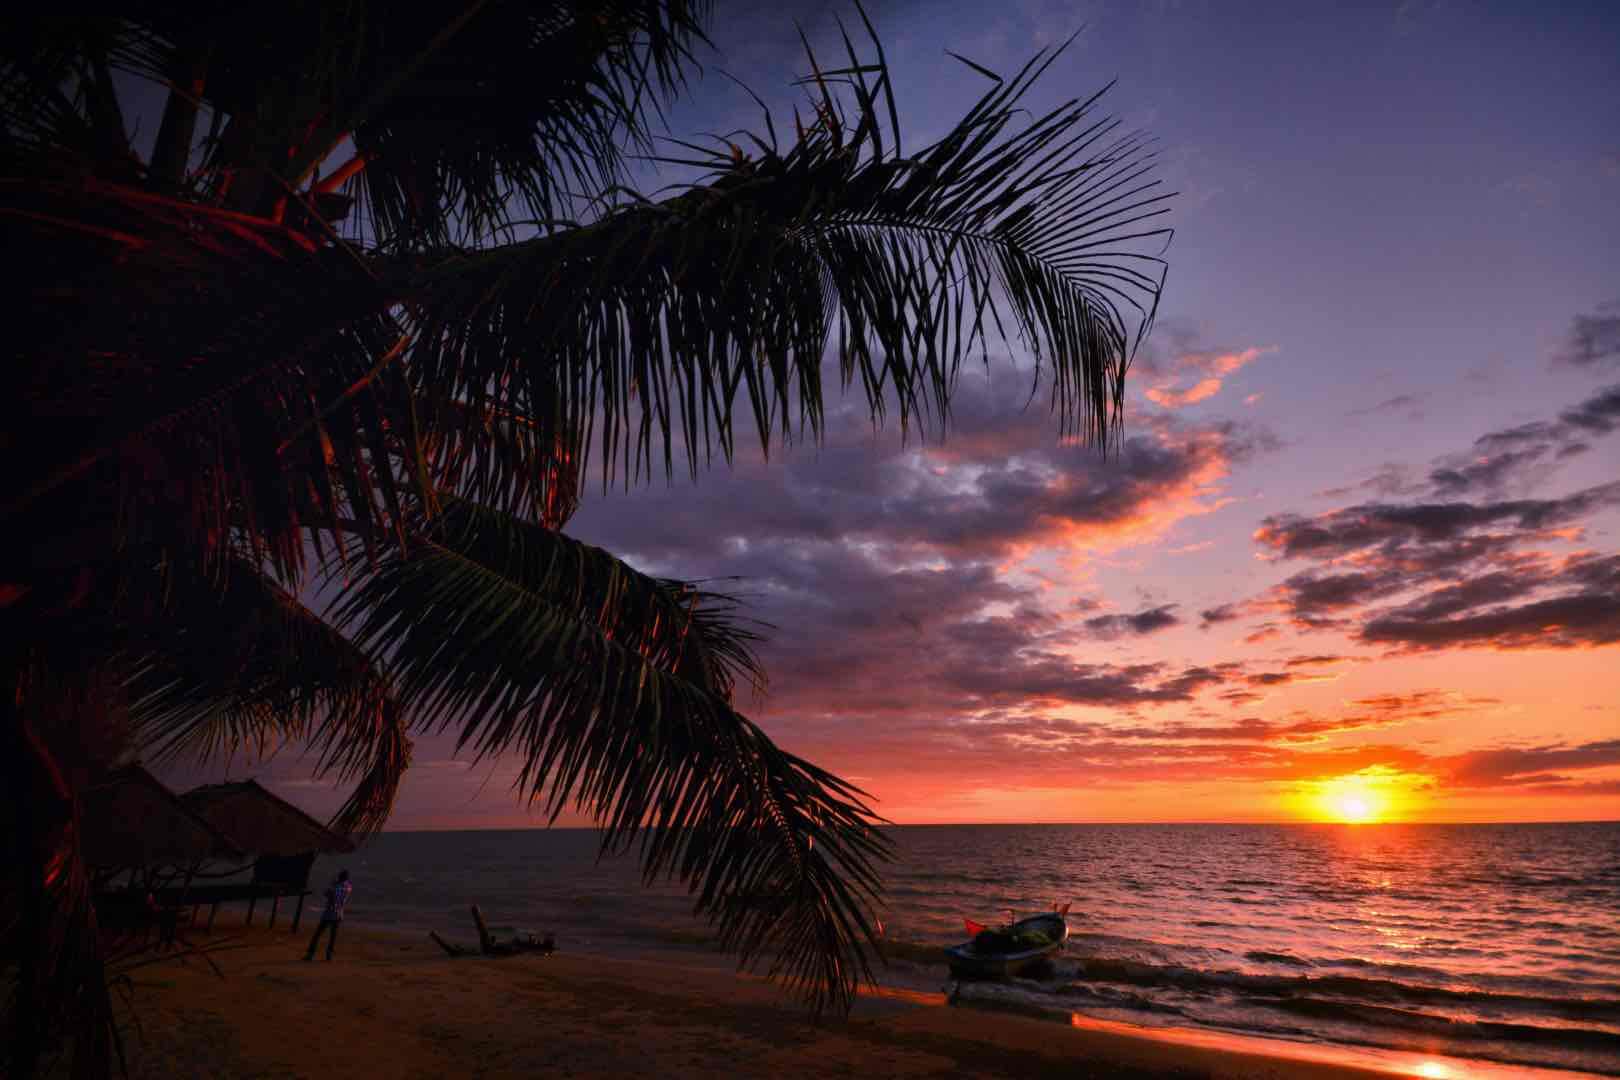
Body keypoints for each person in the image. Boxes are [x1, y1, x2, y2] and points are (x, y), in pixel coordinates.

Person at [303, 869, 352, 961]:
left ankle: (310, 954)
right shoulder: (348, 887)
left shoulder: (336, 887)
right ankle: (329, 955)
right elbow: (344, 887)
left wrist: (333, 884)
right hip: (338, 914)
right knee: (333, 936)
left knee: (317, 934)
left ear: (340, 877)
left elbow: (327, 894)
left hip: (329, 913)